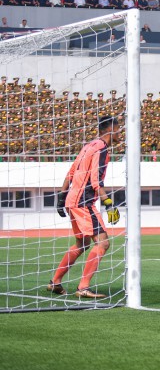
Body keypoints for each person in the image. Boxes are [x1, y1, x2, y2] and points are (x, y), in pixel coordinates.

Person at [48, 116, 120, 298]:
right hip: (84, 202)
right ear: (111, 130)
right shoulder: (102, 149)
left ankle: (55, 282)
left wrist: (61, 198)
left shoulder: (88, 146)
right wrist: (108, 203)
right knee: (103, 243)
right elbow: (96, 181)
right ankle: (83, 287)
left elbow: (71, 172)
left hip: (72, 200)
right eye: (119, 130)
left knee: (81, 244)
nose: (120, 133)